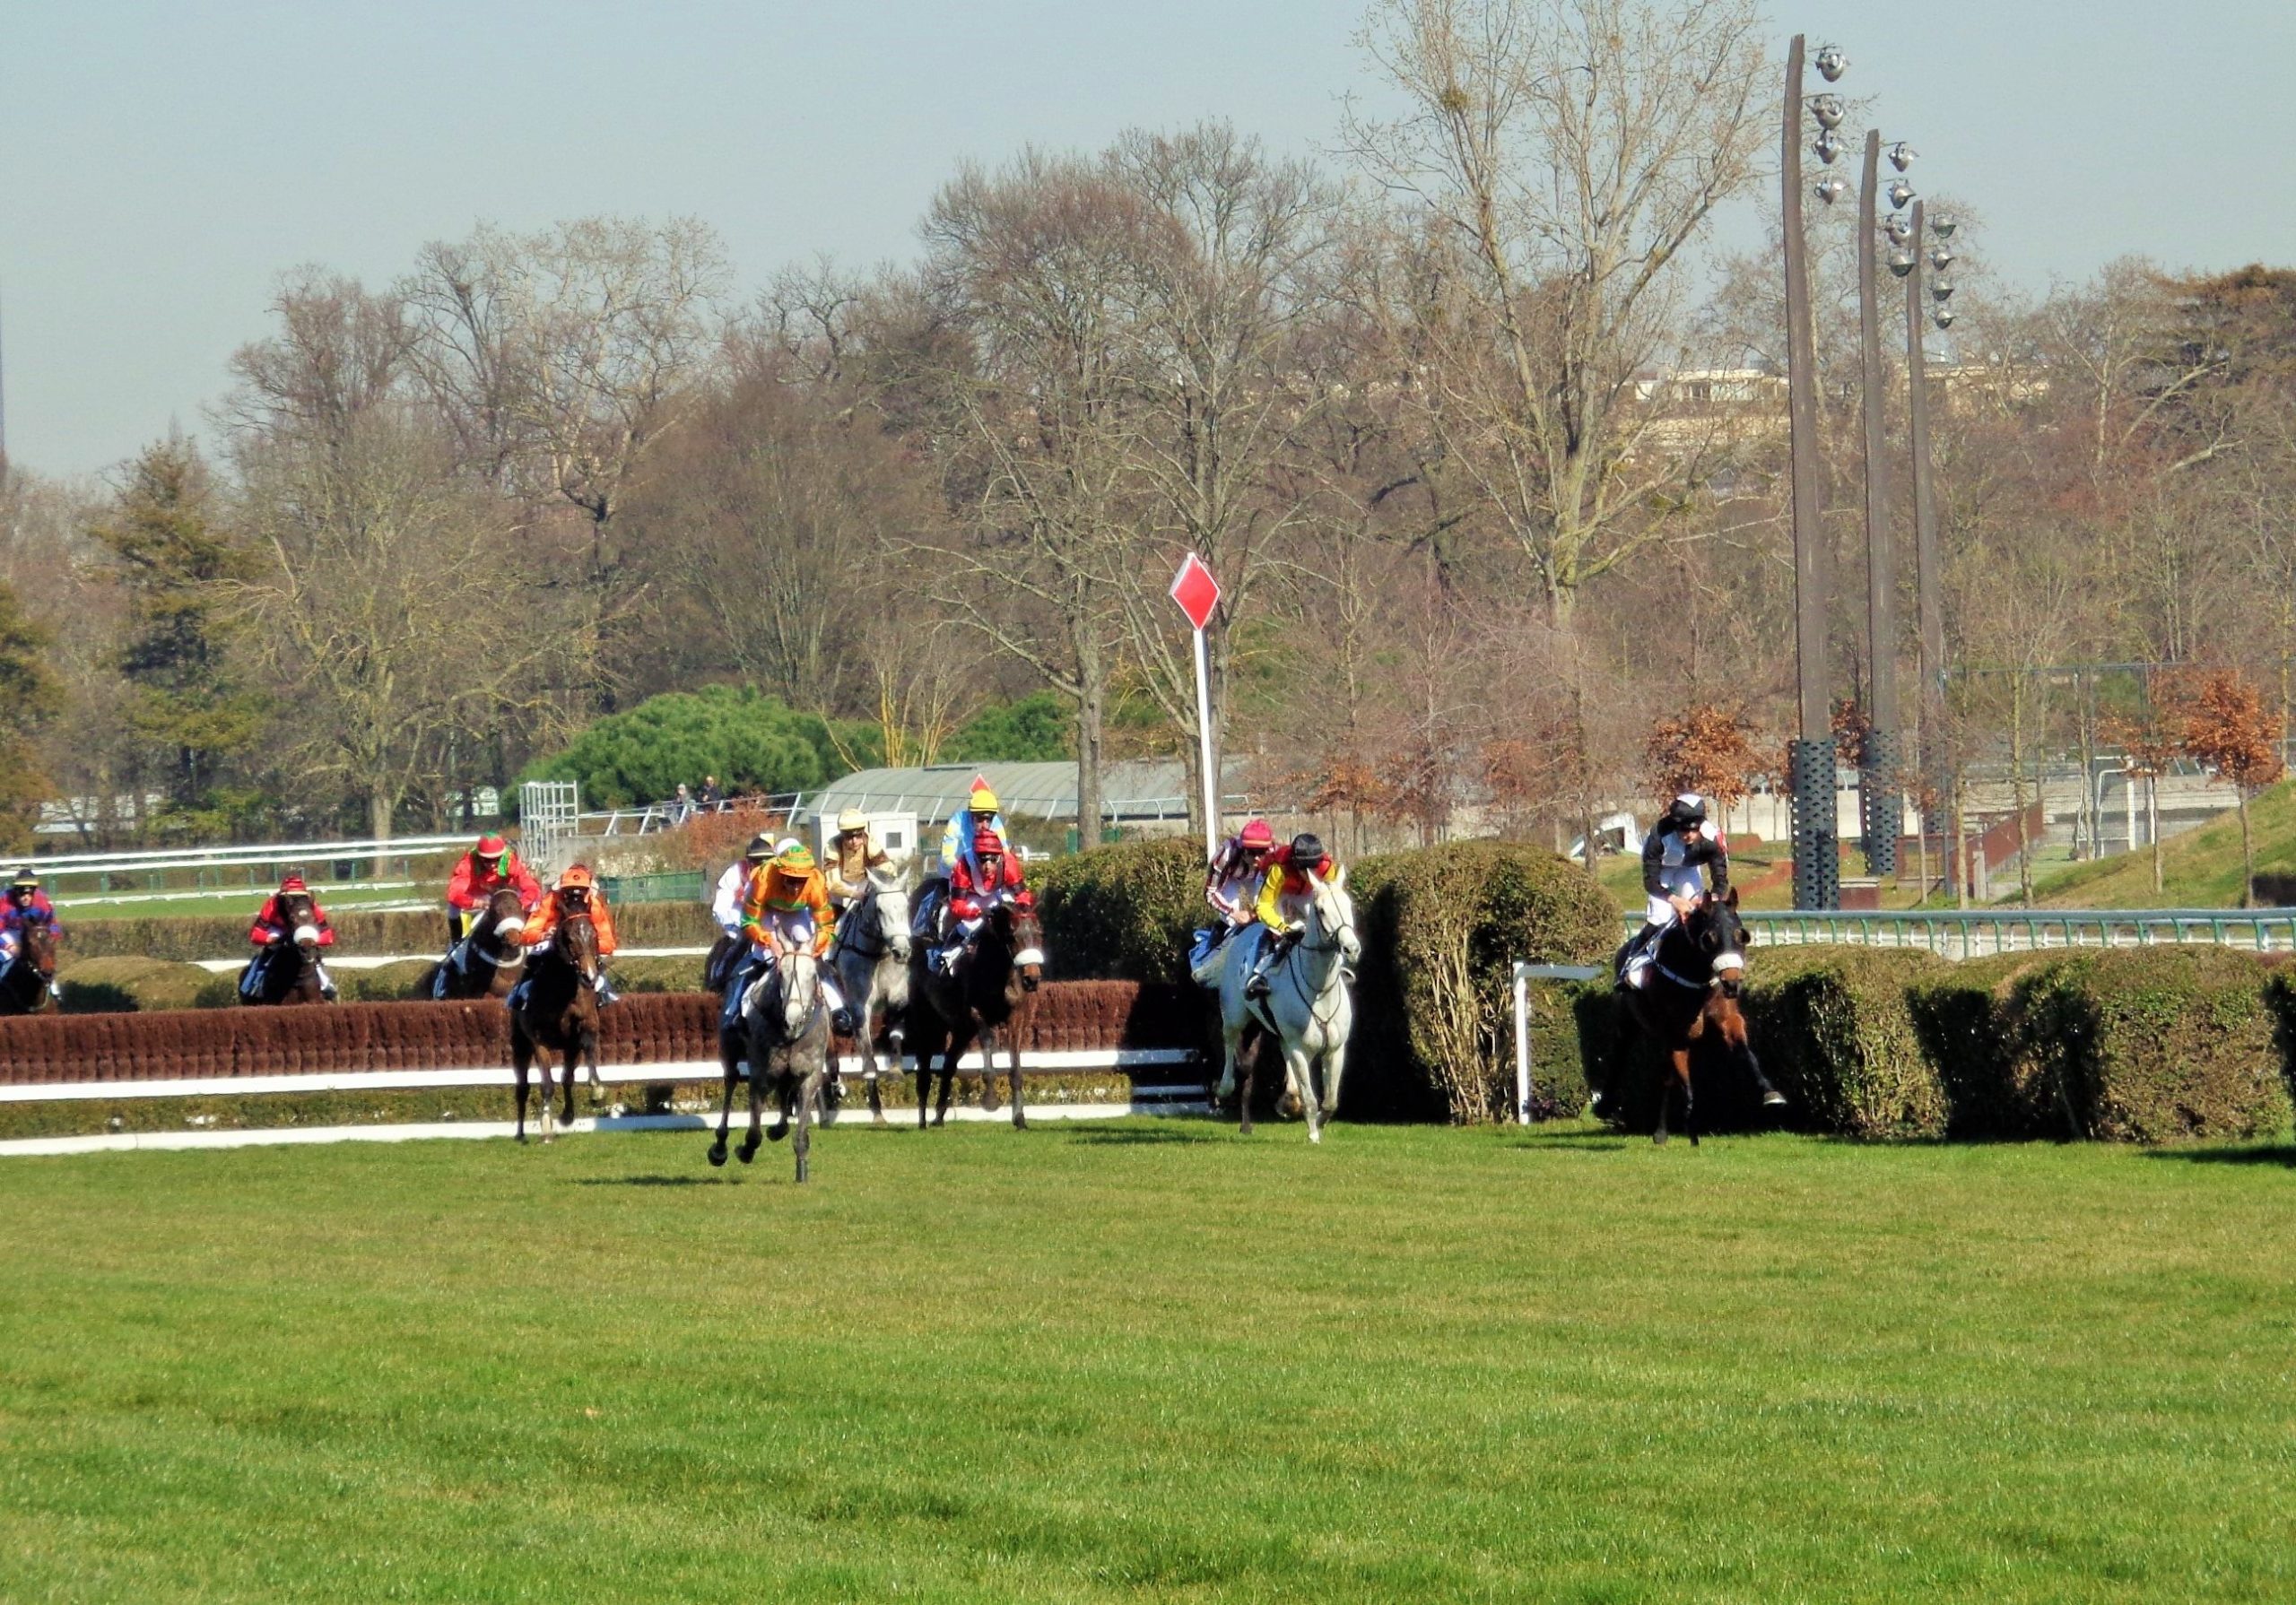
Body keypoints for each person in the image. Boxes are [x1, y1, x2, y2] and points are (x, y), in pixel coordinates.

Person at [726, 840, 855, 1036]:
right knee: (762, 957)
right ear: (780, 872)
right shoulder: (762, 879)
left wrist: (812, 950)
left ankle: (838, 1010)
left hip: (795, 912)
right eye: (790, 880)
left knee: (813, 959)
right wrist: (769, 942)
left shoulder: (816, 882)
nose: (796, 887)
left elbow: (826, 926)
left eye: (801, 881)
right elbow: (749, 921)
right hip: (766, 911)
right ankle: (738, 1010)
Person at [1618, 793, 1730, 990]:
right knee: (1659, 917)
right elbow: (1650, 882)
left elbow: (1720, 878)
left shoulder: (1713, 838)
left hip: (1688, 869)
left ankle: (1709, 961)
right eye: (1683, 829)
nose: (1688, 835)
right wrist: (1673, 899)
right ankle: (1630, 965)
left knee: (1701, 915)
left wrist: (1712, 897)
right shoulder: (1658, 837)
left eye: (1693, 830)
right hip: (1662, 871)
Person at [1243, 832, 1337, 1001]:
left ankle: (1336, 967)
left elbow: (1332, 899)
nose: (1309, 873)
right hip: (1277, 889)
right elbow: (1264, 906)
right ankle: (1258, 974)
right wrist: (1282, 927)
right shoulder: (1280, 867)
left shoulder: (1327, 866)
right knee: (1277, 930)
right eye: (1304, 868)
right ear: (1295, 863)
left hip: (1308, 891)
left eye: (1313, 867)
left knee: (1325, 923)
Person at [935, 822, 1034, 973]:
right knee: (969, 926)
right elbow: (957, 905)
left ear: (999, 856)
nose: (988, 866)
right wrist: (977, 913)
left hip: (995, 893)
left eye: (993, 859)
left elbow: (1022, 893)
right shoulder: (963, 865)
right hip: (971, 897)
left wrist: (1021, 906)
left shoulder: (1009, 862)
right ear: (974, 856)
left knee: (1019, 923)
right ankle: (948, 955)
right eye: (982, 859)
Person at [517, 863, 620, 1003]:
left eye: (581, 891)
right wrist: (543, 935)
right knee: (534, 957)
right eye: (569, 891)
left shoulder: (594, 905)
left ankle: (607, 998)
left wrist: (586, 943)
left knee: (606, 989)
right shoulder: (550, 900)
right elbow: (527, 933)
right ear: (562, 889)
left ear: (588, 890)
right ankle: (519, 994)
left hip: (583, 952)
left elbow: (608, 944)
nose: (575, 895)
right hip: (551, 947)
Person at [1192, 818, 1279, 983]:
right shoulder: (1226, 854)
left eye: (1262, 852)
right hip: (1231, 877)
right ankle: (1215, 960)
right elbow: (1210, 892)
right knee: (1233, 919)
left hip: (1259, 877)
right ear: (1243, 848)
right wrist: (1234, 913)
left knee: (1266, 914)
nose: (1257, 859)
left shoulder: (1275, 854)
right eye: (1252, 852)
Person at [242, 871, 337, 1001]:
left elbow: (328, 935)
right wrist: (272, 939)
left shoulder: (311, 905)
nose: (293, 901)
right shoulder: (272, 904)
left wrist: (313, 940)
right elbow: (255, 935)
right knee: (267, 954)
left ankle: (326, 984)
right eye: (290, 898)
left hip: (302, 929)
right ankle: (252, 984)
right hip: (279, 930)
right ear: (282, 897)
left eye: (298, 897)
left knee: (312, 954)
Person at [444, 834, 544, 950]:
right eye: (487, 860)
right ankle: (456, 941)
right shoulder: (467, 864)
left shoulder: (510, 861)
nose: (492, 864)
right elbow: (454, 894)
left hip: (506, 894)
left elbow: (531, 888)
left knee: (535, 902)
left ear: (503, 855)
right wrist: (477, 903)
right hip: (480, 895)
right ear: (479, 857)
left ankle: (531, 938)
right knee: (453, 908)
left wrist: (521, 903)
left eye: (497, 859)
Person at [822, 809, 891, 924]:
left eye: (859, 836)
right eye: (849, 837)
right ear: (842, 835)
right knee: (834, 915)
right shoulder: (832, 846)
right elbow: (832, 883)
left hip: (865, 882)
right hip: (841, 885)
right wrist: (853, 894)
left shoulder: (870, 842)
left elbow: (887, 868)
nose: (854, 841)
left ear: (863, 833)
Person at [938, 776, 1010, 880]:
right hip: (956, 873)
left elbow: (1005, 854)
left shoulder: (997, 823)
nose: (985, 825)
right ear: (971, 815)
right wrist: (967, 868)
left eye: (989, 819)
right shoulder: (957, 821)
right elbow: (947, 857)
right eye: (980, 819)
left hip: (985, 874)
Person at [0, 867, 61, 966]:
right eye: (22, 893)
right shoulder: (4, 901)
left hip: (31, 934)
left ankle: (50, 980)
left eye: (30, 893)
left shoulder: (42, 902)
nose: (26, 897)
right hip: (7, 933)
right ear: (15, 891)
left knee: (45, 957)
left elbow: (53, 925)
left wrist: (50, 940)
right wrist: (8, 946)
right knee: (2, 956)